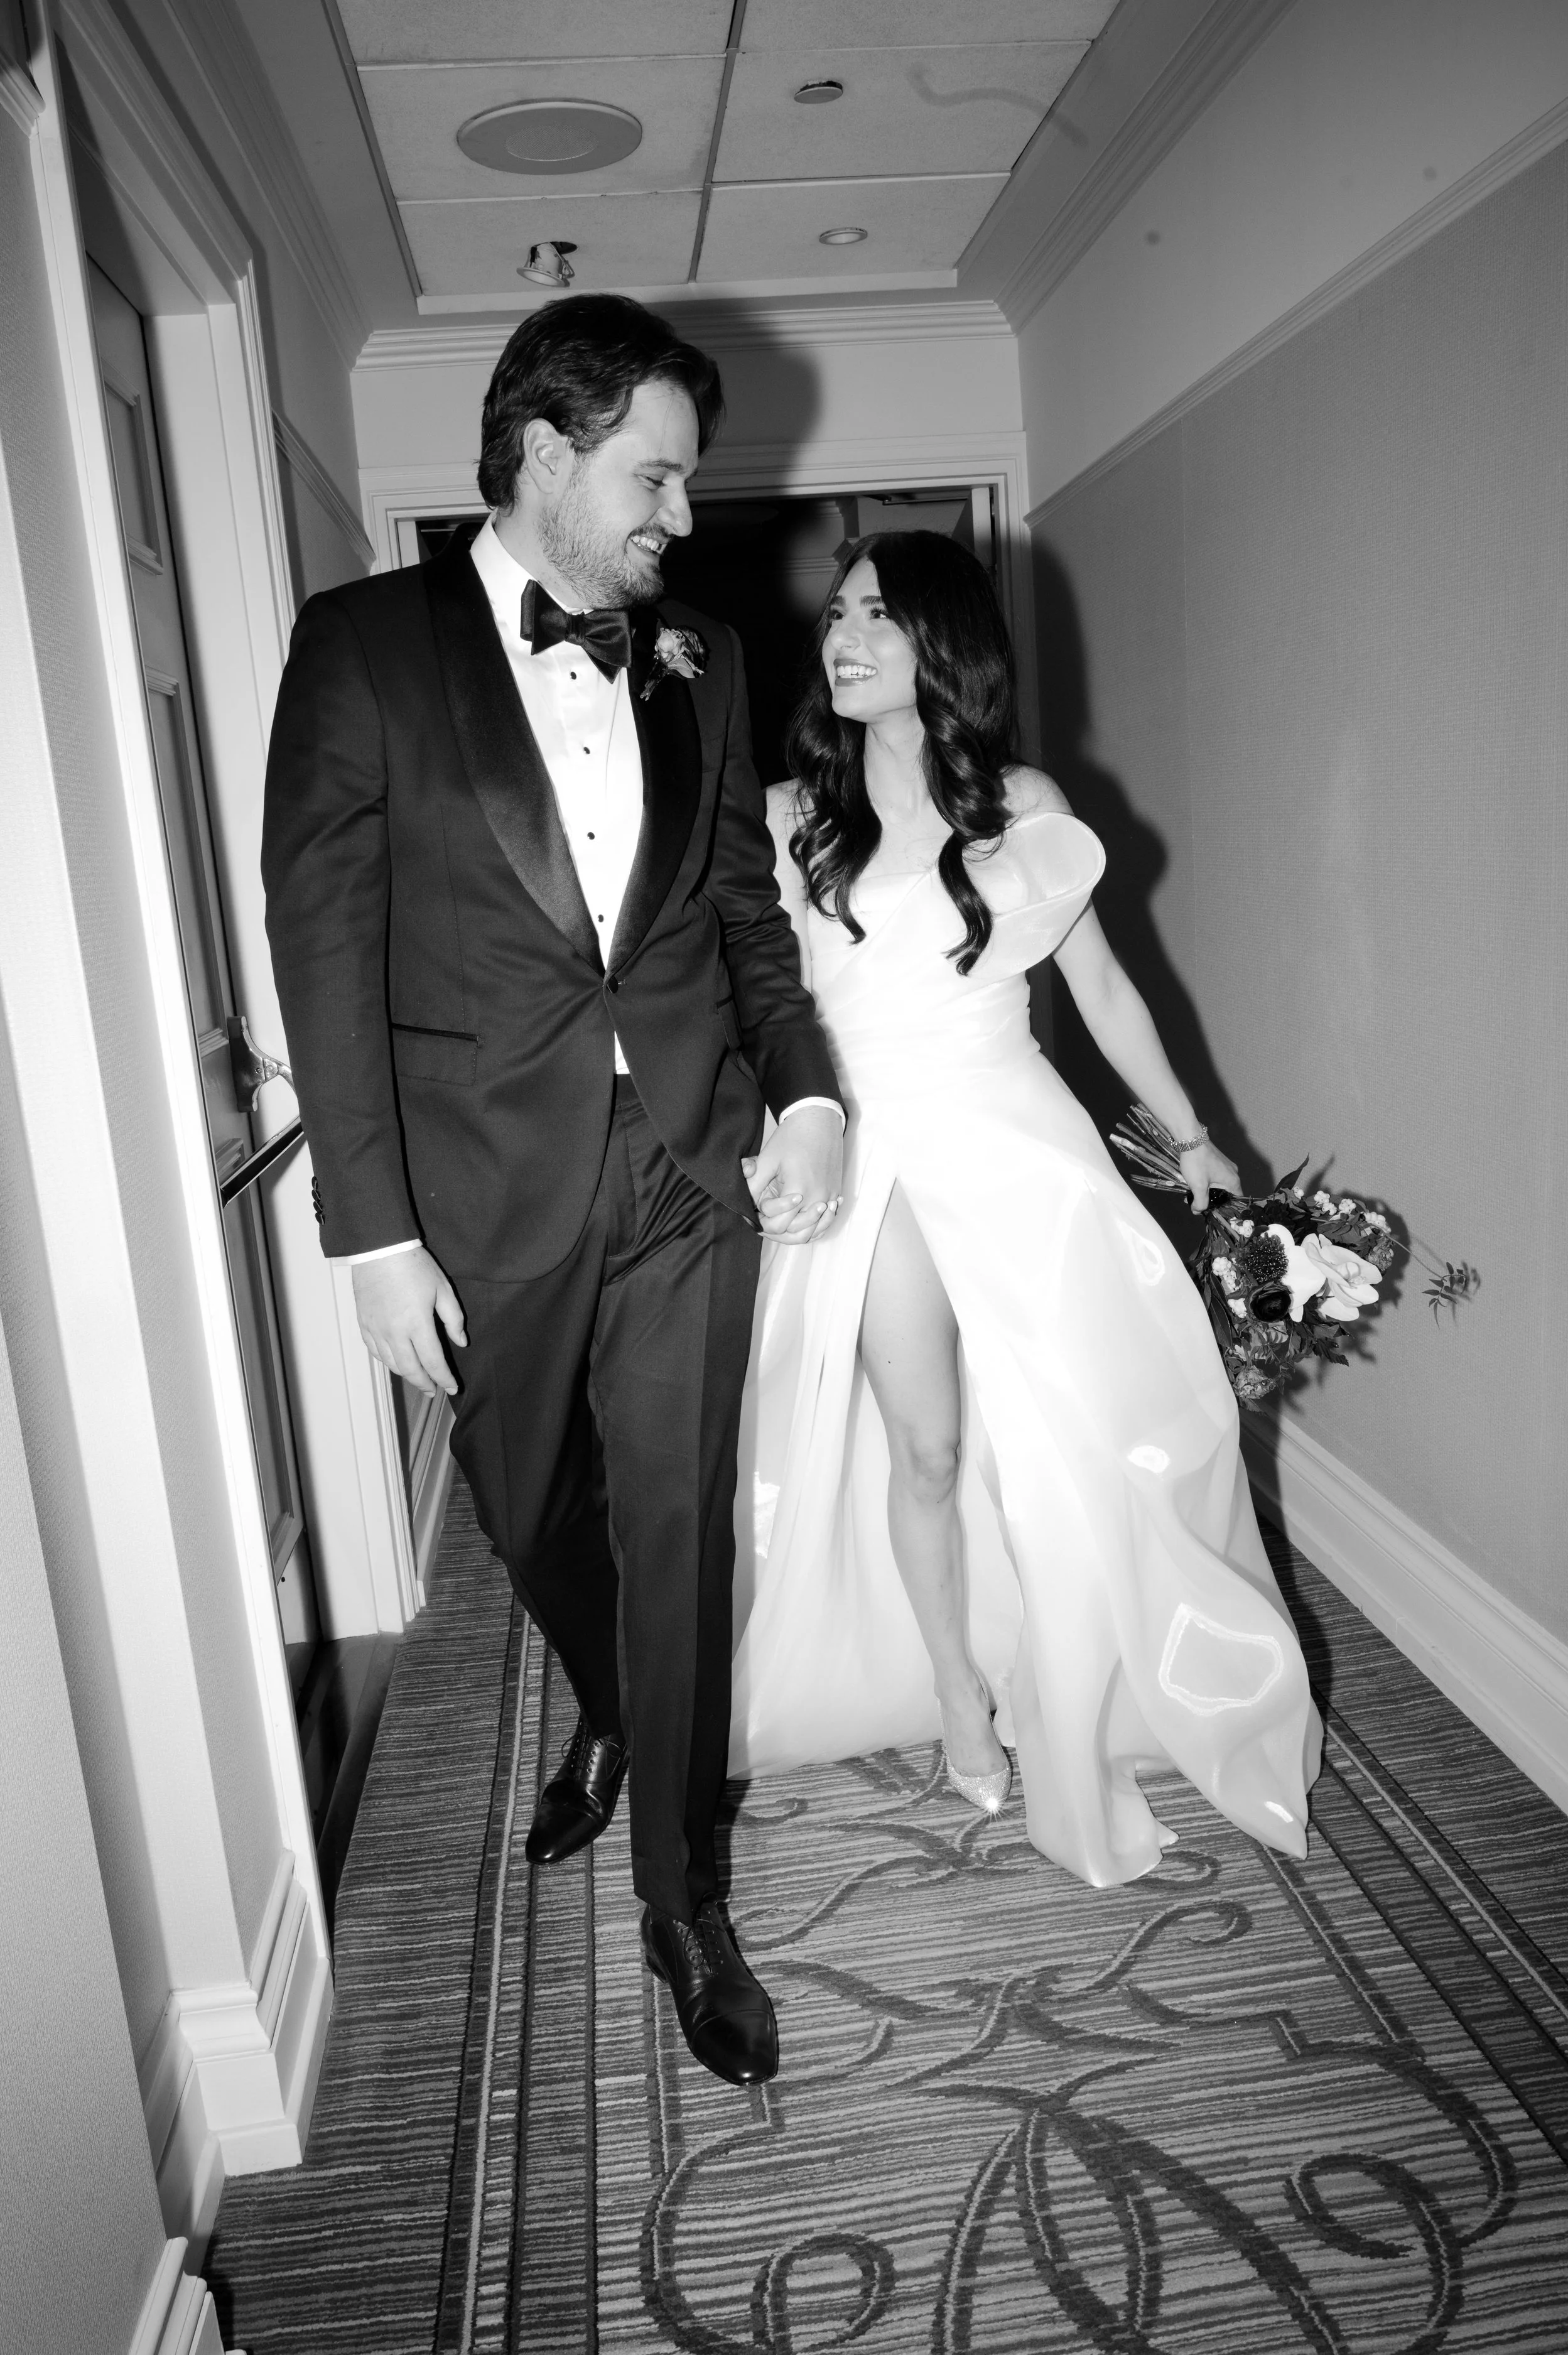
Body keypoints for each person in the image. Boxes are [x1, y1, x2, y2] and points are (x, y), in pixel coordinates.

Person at [262, 295, 845, 2084]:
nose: (680, 514)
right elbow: (323, 939)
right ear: (541, 455)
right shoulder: (361, 644)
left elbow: (742, 910)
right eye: (653, 475)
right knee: (529, 1516)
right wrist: (365, 1230)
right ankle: (617, 1706)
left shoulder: (708, 661)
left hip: (686, 1163)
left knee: (674, 1523)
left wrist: (807, 1092)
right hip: (474, 1186)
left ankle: (684, 1899)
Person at [730, 533, 1321, 1885]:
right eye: (837, 612)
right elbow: (758, 1008)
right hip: (872, 1153)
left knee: (1085, 1431)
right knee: (926, 1450)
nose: (845, 634)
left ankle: (1095, 1683)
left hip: (1018, 1142)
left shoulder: (1019, 801)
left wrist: (1193, 1137)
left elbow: (1102, 990)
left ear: (942, 642)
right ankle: (954, 1692)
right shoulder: (781, 816)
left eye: (879, 613)